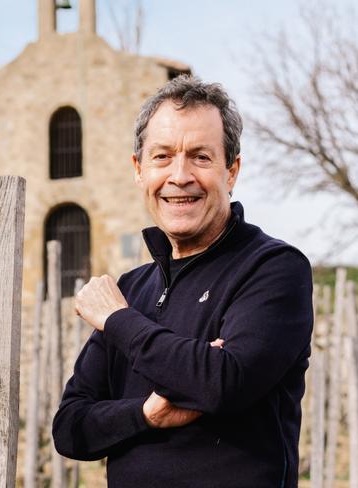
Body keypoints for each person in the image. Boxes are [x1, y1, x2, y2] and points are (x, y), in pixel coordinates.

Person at [52, 75, 314, 488]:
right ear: (139, 170)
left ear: (232, 171)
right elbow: (69, 428)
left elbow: (224, 382)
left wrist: (119, 322)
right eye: (162, 157)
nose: (180, 176)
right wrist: (146, 414)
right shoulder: (132, 288)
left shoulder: (273, 268)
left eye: (200, 157)